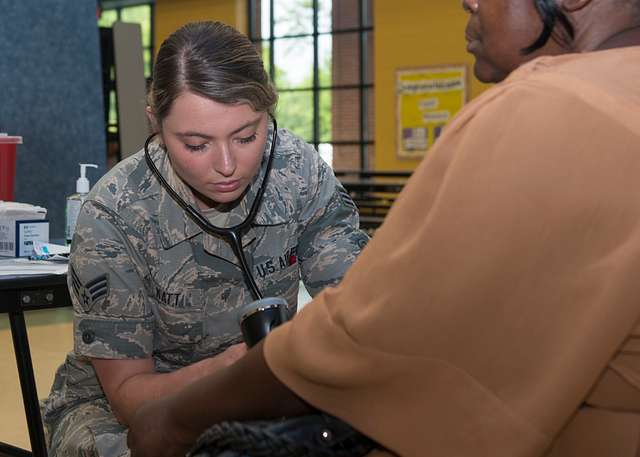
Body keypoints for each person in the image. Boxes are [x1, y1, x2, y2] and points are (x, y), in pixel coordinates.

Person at [126, 0, 640, 456]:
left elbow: (371, 333)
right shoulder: (615, 94)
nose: (469, 2)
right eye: (197, 143)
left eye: (245, 135)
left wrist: (175, 420)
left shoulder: (547, 109)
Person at [42, 21, 368, 457]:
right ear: (155, 122)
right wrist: (231, 372)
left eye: (247, 135)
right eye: (197, 144)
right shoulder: (114, 215)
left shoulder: (298, 172)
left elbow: (355, 305)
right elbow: (128, 398)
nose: (228, 164)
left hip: (264, 389)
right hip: (124, 409)